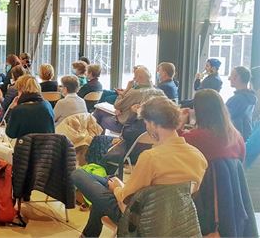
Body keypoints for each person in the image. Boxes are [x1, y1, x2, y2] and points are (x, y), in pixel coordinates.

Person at [72, 96, 207, 237]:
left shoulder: (151, 157)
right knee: (108, 182)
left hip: (138, 219)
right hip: (176, 220)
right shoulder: (198, 157)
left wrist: (117, 188)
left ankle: (88, 234)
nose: (146, 127)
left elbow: (126, 197)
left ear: (154, 123)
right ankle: (88, 234)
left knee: (79, 175)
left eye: (146, 123)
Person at [181, 89, 245, 162]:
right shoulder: (237, 137)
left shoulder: (194, 138)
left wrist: (180, 123)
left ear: (199, 112)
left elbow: (172, 144)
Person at [226, 66, 257, 141]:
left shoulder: (236, 100)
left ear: (237, 77)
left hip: (235, 140)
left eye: (232, 75)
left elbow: (222, 118)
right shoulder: (252, 97)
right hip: (246, 137)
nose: (229, 78)